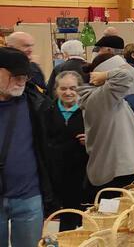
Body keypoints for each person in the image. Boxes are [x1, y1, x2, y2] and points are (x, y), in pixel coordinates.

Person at [0, 48, 55, 247]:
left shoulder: (37, 103)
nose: (21, 80)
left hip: (29, 196)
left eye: (25, 75)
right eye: (15, 75)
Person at [78, 52, 134, 199]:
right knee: (113, 218)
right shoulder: (99, 96)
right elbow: (125, 76)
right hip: (114, 173)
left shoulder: (105, 96)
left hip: (120, 169)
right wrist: (106, 75)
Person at [45, 71, 88, 231]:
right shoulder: (46, 111)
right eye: (63, 88)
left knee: (87, 221)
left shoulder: (88, 111)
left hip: (84, 176)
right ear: (56, 89)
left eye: (73, 88)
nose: (68, 92)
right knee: (66, 221)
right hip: (57, 176)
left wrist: (91, 139)